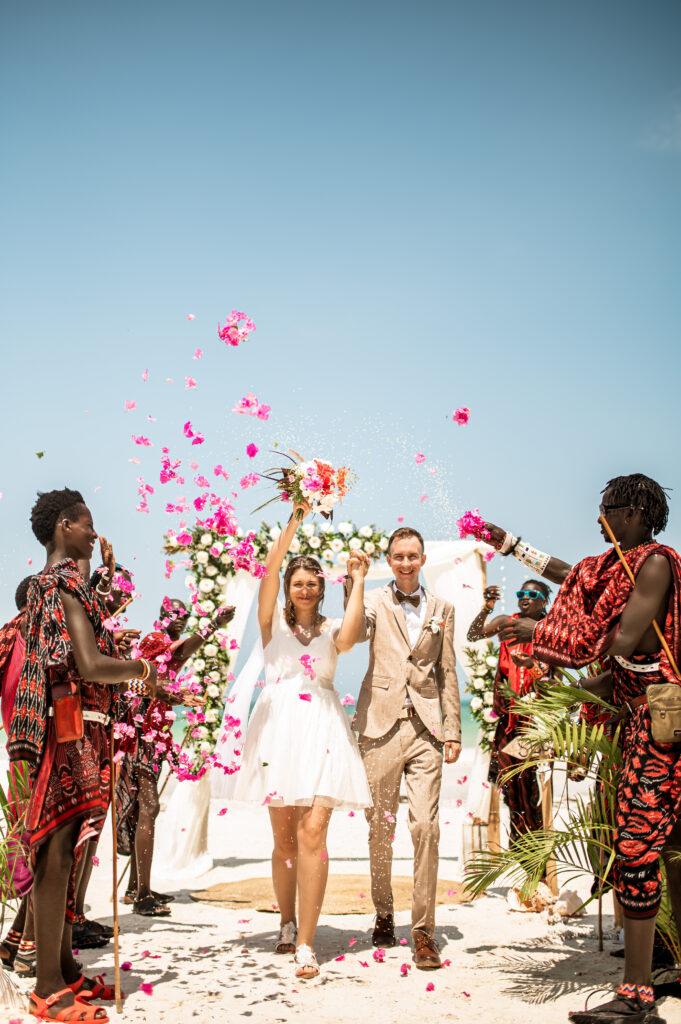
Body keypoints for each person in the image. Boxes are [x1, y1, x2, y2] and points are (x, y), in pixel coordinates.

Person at [484, 473, 681, 1023]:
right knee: (668, 850)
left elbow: (617, 640)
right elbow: (577, 582)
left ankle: (637, 997)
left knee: (640, 846)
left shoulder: (657, 563)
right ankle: (675, 964)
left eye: (609, 509)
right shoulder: (620, 569)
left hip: (660, 725)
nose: (600, 519)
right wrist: (509, 546)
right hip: (638, 715)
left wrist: (529, 627)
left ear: (638, 512)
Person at [8, 488, 158, 1022]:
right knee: (56, 853)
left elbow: (89, 627)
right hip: (63, 732)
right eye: (87, 525)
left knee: (68, 852)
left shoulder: (69, 588)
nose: (95, 533)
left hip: (80, 732)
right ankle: (48, 987)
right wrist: (144, 672)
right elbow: (90, 663)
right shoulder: (57, 584)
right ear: (65, 527)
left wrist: (108, 579)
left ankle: (67, 969)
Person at [233, 503, 371, 980]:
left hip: (324, 728)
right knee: (284, 839)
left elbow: (354, 636)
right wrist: (295, 518)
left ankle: (307, 943)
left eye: (313, 582)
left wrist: (358, 580)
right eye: (298, 582)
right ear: (290, 588)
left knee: (315, 833)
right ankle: (286, 922)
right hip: (278, 730)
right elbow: (269, 571)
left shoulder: (333, 628)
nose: (305, 588)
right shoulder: (271, 625)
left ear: (322, 588)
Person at [345, 527, 461, 970]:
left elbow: (447, 672)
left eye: (413, 555)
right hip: (379, 725)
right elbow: (356, 634)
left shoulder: (443, 609)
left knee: (426, 828)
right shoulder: (374, 600)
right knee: (380, 828)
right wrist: (354, 583)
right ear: (388, 560)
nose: (406, 562)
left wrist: (453, 729)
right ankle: (383, 910)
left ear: (423, 558)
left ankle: (424, 931)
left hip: (427, 728)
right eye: (399, 556)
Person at [117, 596, 233, 917]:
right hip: (139, 735)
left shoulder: (166, 649)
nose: (179, 619)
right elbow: (179, 653)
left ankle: (135, 888)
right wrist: (213, 625)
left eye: (184, 615)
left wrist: (178, 696)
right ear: (161, 615)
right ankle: (141, 897)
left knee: (143, 810)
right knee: (149, 808)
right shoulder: (156, 640)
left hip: (153, 737)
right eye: (173, 613)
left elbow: (160, 683)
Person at [467, 580, 551, 840]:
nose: (525, 597)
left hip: (538, 720)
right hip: (510, 719)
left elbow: (552, 680)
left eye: (532, 594)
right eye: (521, 593)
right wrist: (487, 607)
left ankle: (536, 844)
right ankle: (520, 842)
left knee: (533, 784)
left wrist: (531, 665)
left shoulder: (550, 630)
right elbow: (474, 635)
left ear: (544, 601)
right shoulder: (507, 622)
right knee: (512, 785)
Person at [0, 576, 34, 974]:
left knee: (27, 838)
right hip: (35, 754)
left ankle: (14, 940)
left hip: (17, 753)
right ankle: (26, 946)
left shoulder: (9, 636)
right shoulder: (27, 638)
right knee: (38, 843)